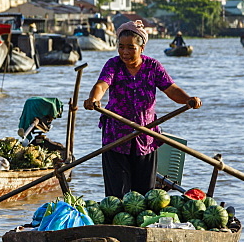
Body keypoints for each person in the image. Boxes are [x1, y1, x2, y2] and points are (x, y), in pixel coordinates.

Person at [83, 20, 201, 197]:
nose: (125, 52)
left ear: (142, 47)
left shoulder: (153, 67)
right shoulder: (113, 65)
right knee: (117, 195)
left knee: (145, 195)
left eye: (131, 48)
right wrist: (93, 99)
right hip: (116, 137)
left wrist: (188, 100)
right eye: (121, 47)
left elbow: (171, 89)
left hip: (146, 135)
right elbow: (101, 85)